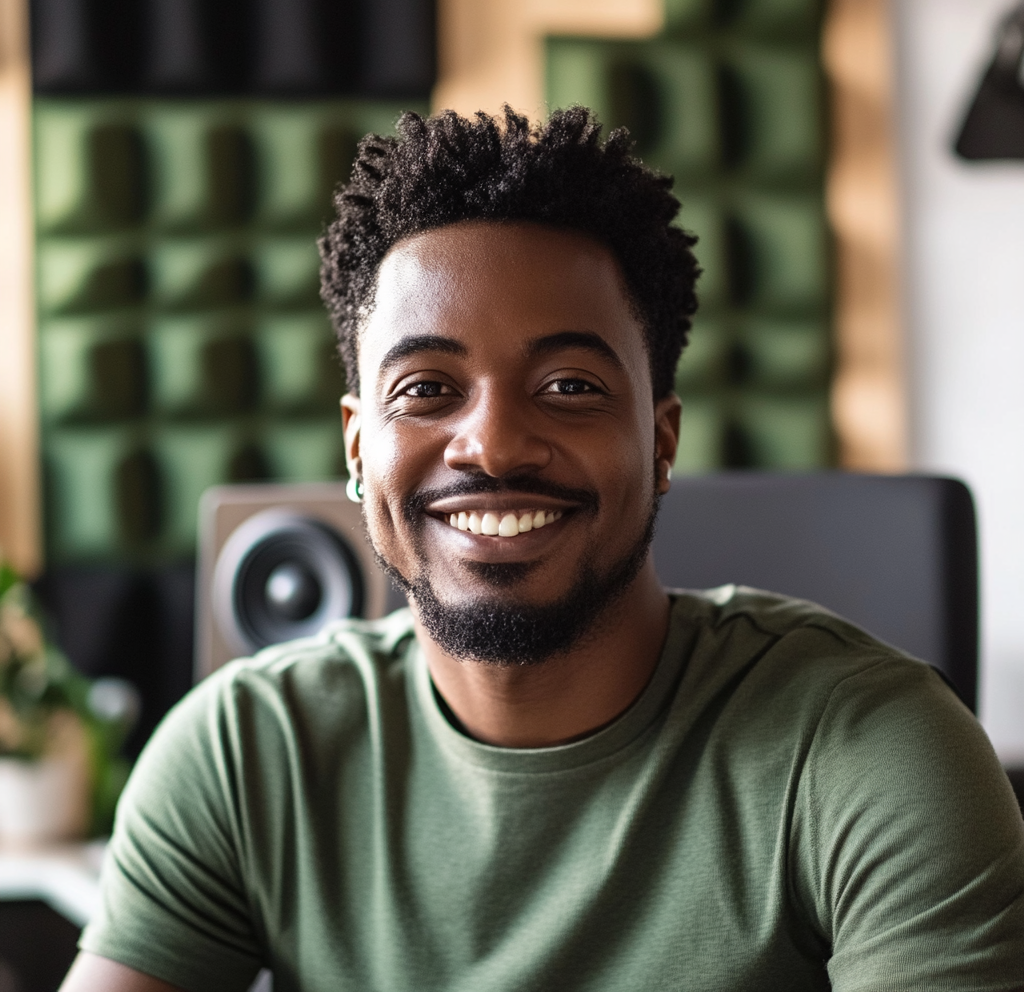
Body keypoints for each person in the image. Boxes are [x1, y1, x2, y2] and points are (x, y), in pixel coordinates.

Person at [61, 107, 1024, 992]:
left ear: (659, 443)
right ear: (359, 450)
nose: (492, 444)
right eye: (427, 389)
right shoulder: (243, 752)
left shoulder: (869, 751)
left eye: (568, 386)